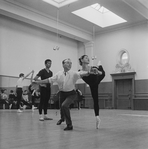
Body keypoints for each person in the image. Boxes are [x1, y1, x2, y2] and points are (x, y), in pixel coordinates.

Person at [33, 58, 90, 131]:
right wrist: (38, 82)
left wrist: (88, 72)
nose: (70, 64)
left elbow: (81, 73)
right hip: (62, 93)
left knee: (64, 106)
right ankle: (62, 118)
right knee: (61, 107)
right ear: (63, 64)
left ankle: (69, 125)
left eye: (70, 63)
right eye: (67, 62)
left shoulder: (73, 73)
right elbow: (49, 80)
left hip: (71, 93)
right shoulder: (58, 74)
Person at [79, 55, 105, 129]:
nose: (88, 59)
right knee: (95, 99)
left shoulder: (93, 68)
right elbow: (80, 75)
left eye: (88, 58)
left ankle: (100, 65)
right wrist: (89, 73)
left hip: (97, 79)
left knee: (102, 71)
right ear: (82, 60)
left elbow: (101, 74)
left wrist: (97, 71)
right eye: (86, 58)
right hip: (92, 84)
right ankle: (97, 117)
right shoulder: (81, 71)